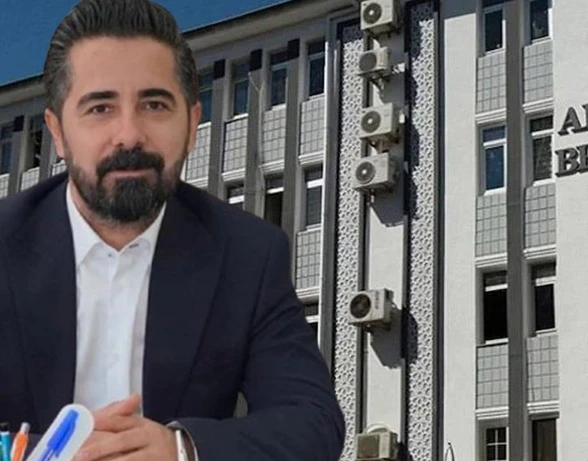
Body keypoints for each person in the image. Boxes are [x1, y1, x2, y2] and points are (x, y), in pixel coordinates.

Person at [0, 0, 345, 460]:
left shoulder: (247, 254)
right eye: (100, 107)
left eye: (154, 105)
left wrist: (181, 449)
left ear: (192, 125)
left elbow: (312, 423)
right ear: (58, 132)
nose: (129, 134)